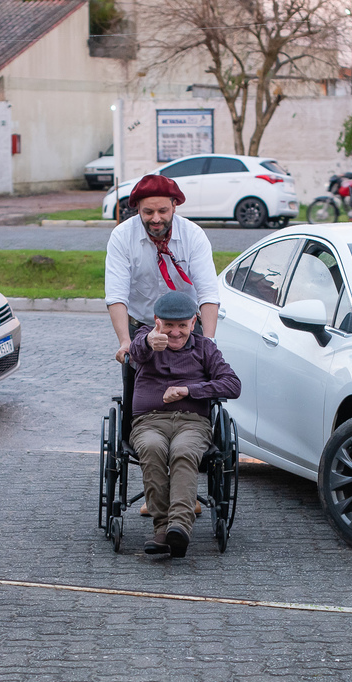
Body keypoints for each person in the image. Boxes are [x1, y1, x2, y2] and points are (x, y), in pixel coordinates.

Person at [129, 291, 240, 558]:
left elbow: (232, 384)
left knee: (183, 451)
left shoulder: (204, 348)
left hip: (192, 423)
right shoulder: (148, 339)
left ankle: (179, 527)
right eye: (168, 325)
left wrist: (188, 390)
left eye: (182, 325)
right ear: (157, 322)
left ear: (194, 323)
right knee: (153, 448)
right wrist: (148, 341)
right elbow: (134, 351)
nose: (175, 332)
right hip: (149, 422)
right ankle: (162, 528)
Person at [104, 174, 219, 365]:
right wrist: (125, 341)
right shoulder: (122, 236)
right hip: (142, 326)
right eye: (148, 212)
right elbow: (116, 295)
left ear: (174, 206)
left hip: (185, 328)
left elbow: (208, 293)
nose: (156, 218)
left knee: (194, 386)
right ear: (138, 208)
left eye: (163, 211)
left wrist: (209, 341)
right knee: (139, 388)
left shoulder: (194, 235)